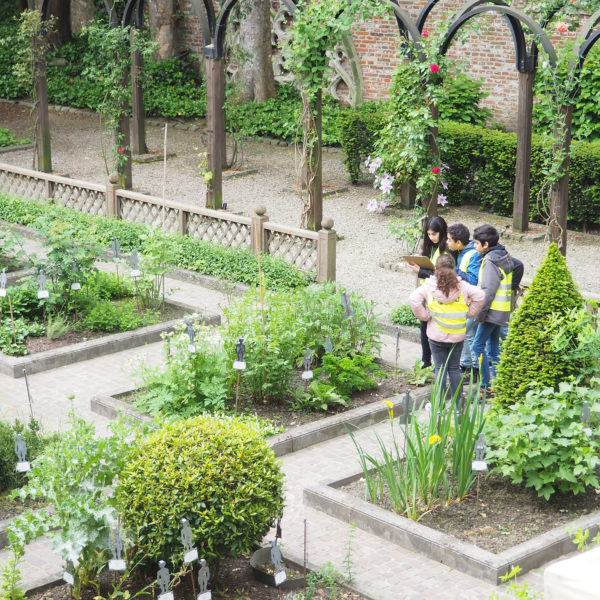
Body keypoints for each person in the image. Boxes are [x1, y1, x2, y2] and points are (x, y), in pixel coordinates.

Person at [409, 254, 485, 402]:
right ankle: (458, 407)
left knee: (440, 370)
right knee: (454, 369)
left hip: (436, 335)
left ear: (435, 269)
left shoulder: (429, 286)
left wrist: (425, 316)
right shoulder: (462, 286)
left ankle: (439, 407)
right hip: (457, 335)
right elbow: (480, 295)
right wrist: (470, 313)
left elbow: (413, 299)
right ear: (454, 269)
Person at [470, 224, 517, 395]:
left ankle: (486, 386)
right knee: (493, 348)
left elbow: (487, 292)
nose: (474, 246)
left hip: (490, 313)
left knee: (477, 346)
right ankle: (499, 383)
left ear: (486, 245)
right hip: (502, 311)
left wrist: (480, 314)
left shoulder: (490, 261)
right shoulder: (503, 255)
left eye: (476, 243)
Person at [407, 216, 449, 368]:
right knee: (423, 327)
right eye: (429, 234)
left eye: (434, 234)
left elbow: (443, 276)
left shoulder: (446, 249)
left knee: (435, 329)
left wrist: (420, 271)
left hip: (439, 293)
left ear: (442, 232)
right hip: (427, 292)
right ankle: (426, 361)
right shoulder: (430, 246)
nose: (431, 238)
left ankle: (438, 363)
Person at [446, 223, 483, 378]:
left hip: (473, 301)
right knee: (467, 332)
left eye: (449, 240)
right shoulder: (464, 252)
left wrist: (455, 272)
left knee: (470, 334)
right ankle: (466, 365)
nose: (447, 242)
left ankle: (475, 370)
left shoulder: (472, 254)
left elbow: (473, 279)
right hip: (468, 300)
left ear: (458, 243)